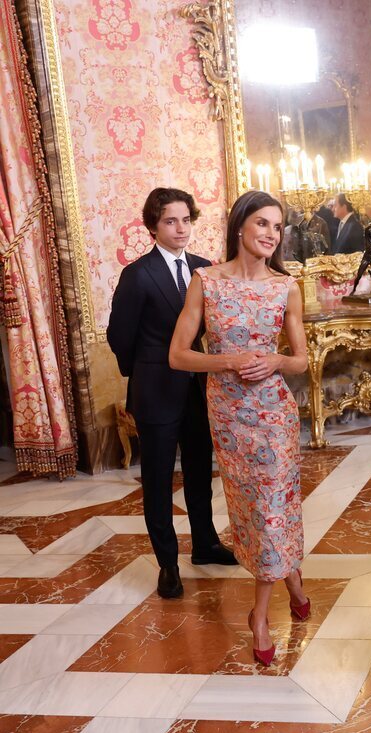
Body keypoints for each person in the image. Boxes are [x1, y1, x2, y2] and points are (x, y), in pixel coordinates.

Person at [169, 190, 309, 666]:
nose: (271, 234)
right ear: (240, 227)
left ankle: (261, 616)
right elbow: (178, 355)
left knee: (274, 505)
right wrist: (227, 360)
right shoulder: (205, 281)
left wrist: (275, 359)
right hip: (229, 417)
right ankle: (292, 580)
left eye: (277, 227)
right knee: (254, 510)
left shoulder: (285, 286)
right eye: (263, 224)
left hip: (274, 415)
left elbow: (301, 360)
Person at [107, 187, 237, 600]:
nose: (181, 228)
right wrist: (142, 374)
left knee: (200, 471)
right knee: (159, 480)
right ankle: (167, 563)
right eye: (170, 221)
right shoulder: (138, 274)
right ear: (153, 226)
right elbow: (119, 336)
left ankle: (205, 545)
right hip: (156, 390)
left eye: (186, 219)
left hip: (198, 390)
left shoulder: (204, 269)